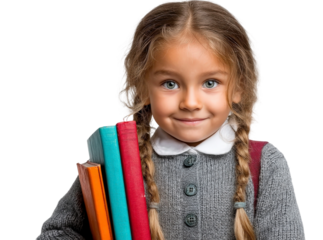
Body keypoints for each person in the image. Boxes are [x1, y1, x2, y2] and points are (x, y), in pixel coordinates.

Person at [36, 0, 305, 239]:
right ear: (143, 87)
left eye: (210, 82)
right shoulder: (118, 159)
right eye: (170, 83)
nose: (190, 102)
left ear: (239, 87)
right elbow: (57, 232)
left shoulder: (267, 163)